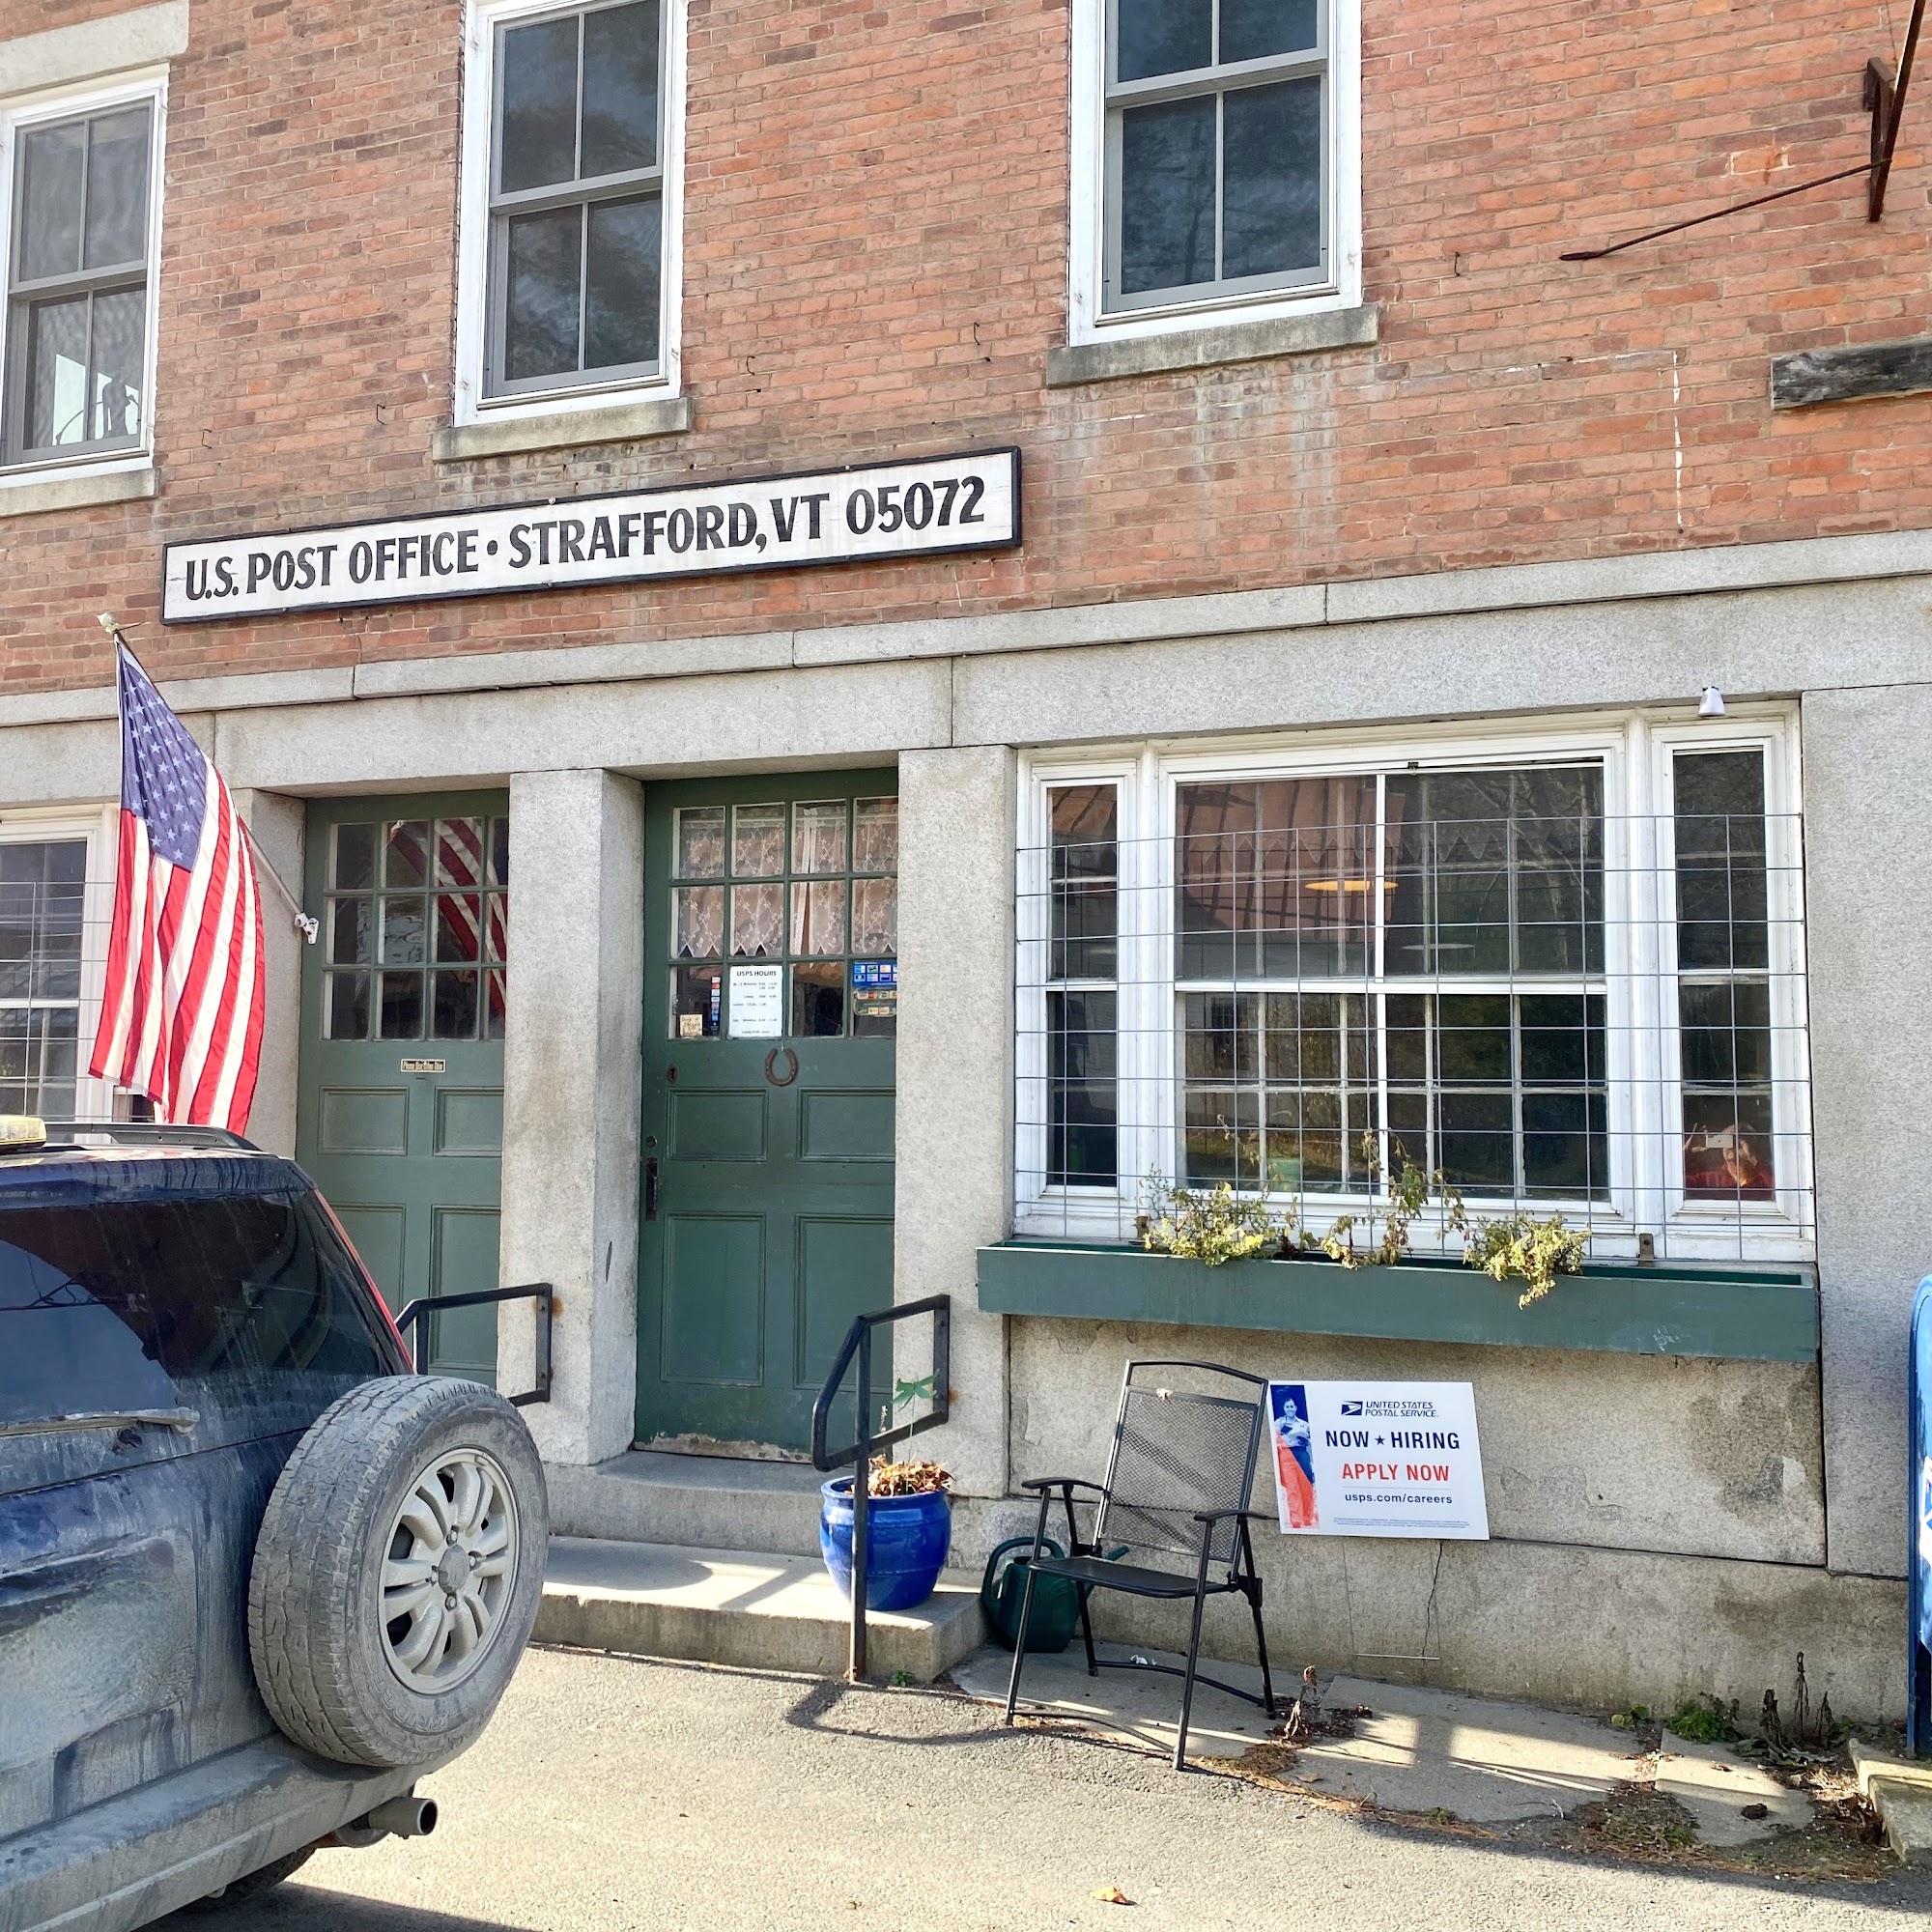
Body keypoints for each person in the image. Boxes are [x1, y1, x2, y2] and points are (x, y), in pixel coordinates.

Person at [1273, 1387, 1319, 1530]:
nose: (1290, 1409)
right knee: (1292, 1488)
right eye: (1287, 1407)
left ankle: (1307, 1516)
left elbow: (1312, 1442)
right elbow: (1275, 1441)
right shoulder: (1278, 1423)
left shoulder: (1304, 1424)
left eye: (1292, 1406)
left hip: (1302, 1454)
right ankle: (1296, 1519)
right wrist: (1287, 1439)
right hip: (1287, 1454)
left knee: (1306, 1487)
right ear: (1284, 1409)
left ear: (1296, 1408)